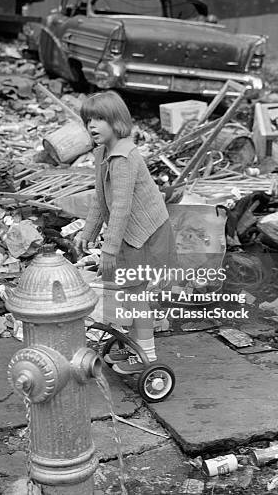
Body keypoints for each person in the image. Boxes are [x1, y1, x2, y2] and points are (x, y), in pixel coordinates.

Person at [78, 90, 178, 374]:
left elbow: (121, 206)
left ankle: (145, 355)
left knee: (135, 294)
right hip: (130, 234)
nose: (92, 126)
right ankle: (133, 344)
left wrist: (109, 249)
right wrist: (88, 231)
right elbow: (100, 197)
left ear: (117, 121)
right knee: (128, 293)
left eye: (99, 119)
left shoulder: (123, 157)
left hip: (146, 235)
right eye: (88, 121)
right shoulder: (103, 152)